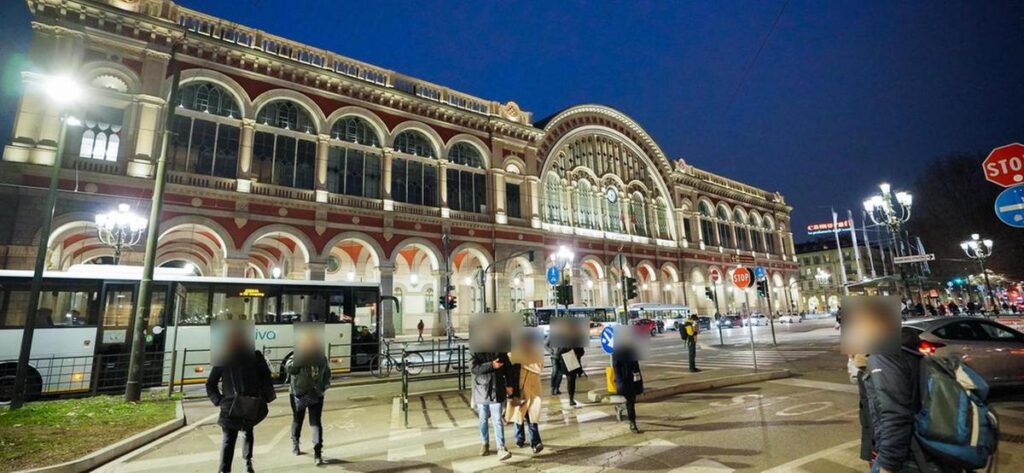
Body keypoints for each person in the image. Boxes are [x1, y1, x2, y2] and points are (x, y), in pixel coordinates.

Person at [862, 327, 946, 472]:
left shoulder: (884, 356)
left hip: (908, 457)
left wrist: (888, 465)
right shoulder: (908, 352)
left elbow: (895, 414)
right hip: (930, 451)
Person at [206, 331, 275, 473]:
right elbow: (210, 383)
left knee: (240, 435)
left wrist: (219, 400)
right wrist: (219, 401)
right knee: (231, 438)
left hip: (247, 404)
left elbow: (265, 378)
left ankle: (245, 463)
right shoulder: (225, 358)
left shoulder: (254, 356)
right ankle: (233, 467)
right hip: (232, 406)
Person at [286, 343, 331, 464]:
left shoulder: (320, 357)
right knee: (299, 420)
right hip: (299, 393)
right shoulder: (299, 356)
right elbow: (290, 369)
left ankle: (317, 452)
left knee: (314, 422)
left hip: (313, 393)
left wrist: (323, 387)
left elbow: (327, 374)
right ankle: (297, 444)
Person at [471, 350, 513, 460]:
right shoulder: (476, 349)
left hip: (497, 387)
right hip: (482, 389)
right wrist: (491, 365)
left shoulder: (499, 349)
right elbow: (474, 368)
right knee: (483, 419)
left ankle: (501, 447)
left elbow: (508, 368)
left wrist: (509, 385)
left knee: (497, 419)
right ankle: (485, 443)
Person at [505, 334, 544, 454]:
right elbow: (509, 362)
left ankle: (536, 442)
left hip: (533, 391)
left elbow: (539, 367)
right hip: (519, 390)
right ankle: (519, 439)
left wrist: (523, 361)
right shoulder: (514, 353)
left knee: (532, 417)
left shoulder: (536, 353)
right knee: (519, 416)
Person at [612, 341, 643, 434]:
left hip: (633, 378)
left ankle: (620, 408)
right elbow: (616, 367)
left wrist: (638, 378)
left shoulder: (632, 349)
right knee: (630, 401)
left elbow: (636, 365)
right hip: (624, 380)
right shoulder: (617, 351)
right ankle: (632, 423)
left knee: (631, 401)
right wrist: (620, 380)